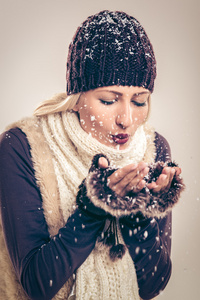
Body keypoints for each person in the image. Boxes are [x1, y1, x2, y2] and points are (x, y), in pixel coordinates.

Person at [0, 10, 184, 300]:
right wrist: (93, 207)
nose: (127, 119)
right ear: (77, 96)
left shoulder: (153, 149)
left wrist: (137, 210)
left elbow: (152, 286)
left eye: (140, 101)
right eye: (109, 100)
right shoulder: (24, 147)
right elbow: (37, 285)